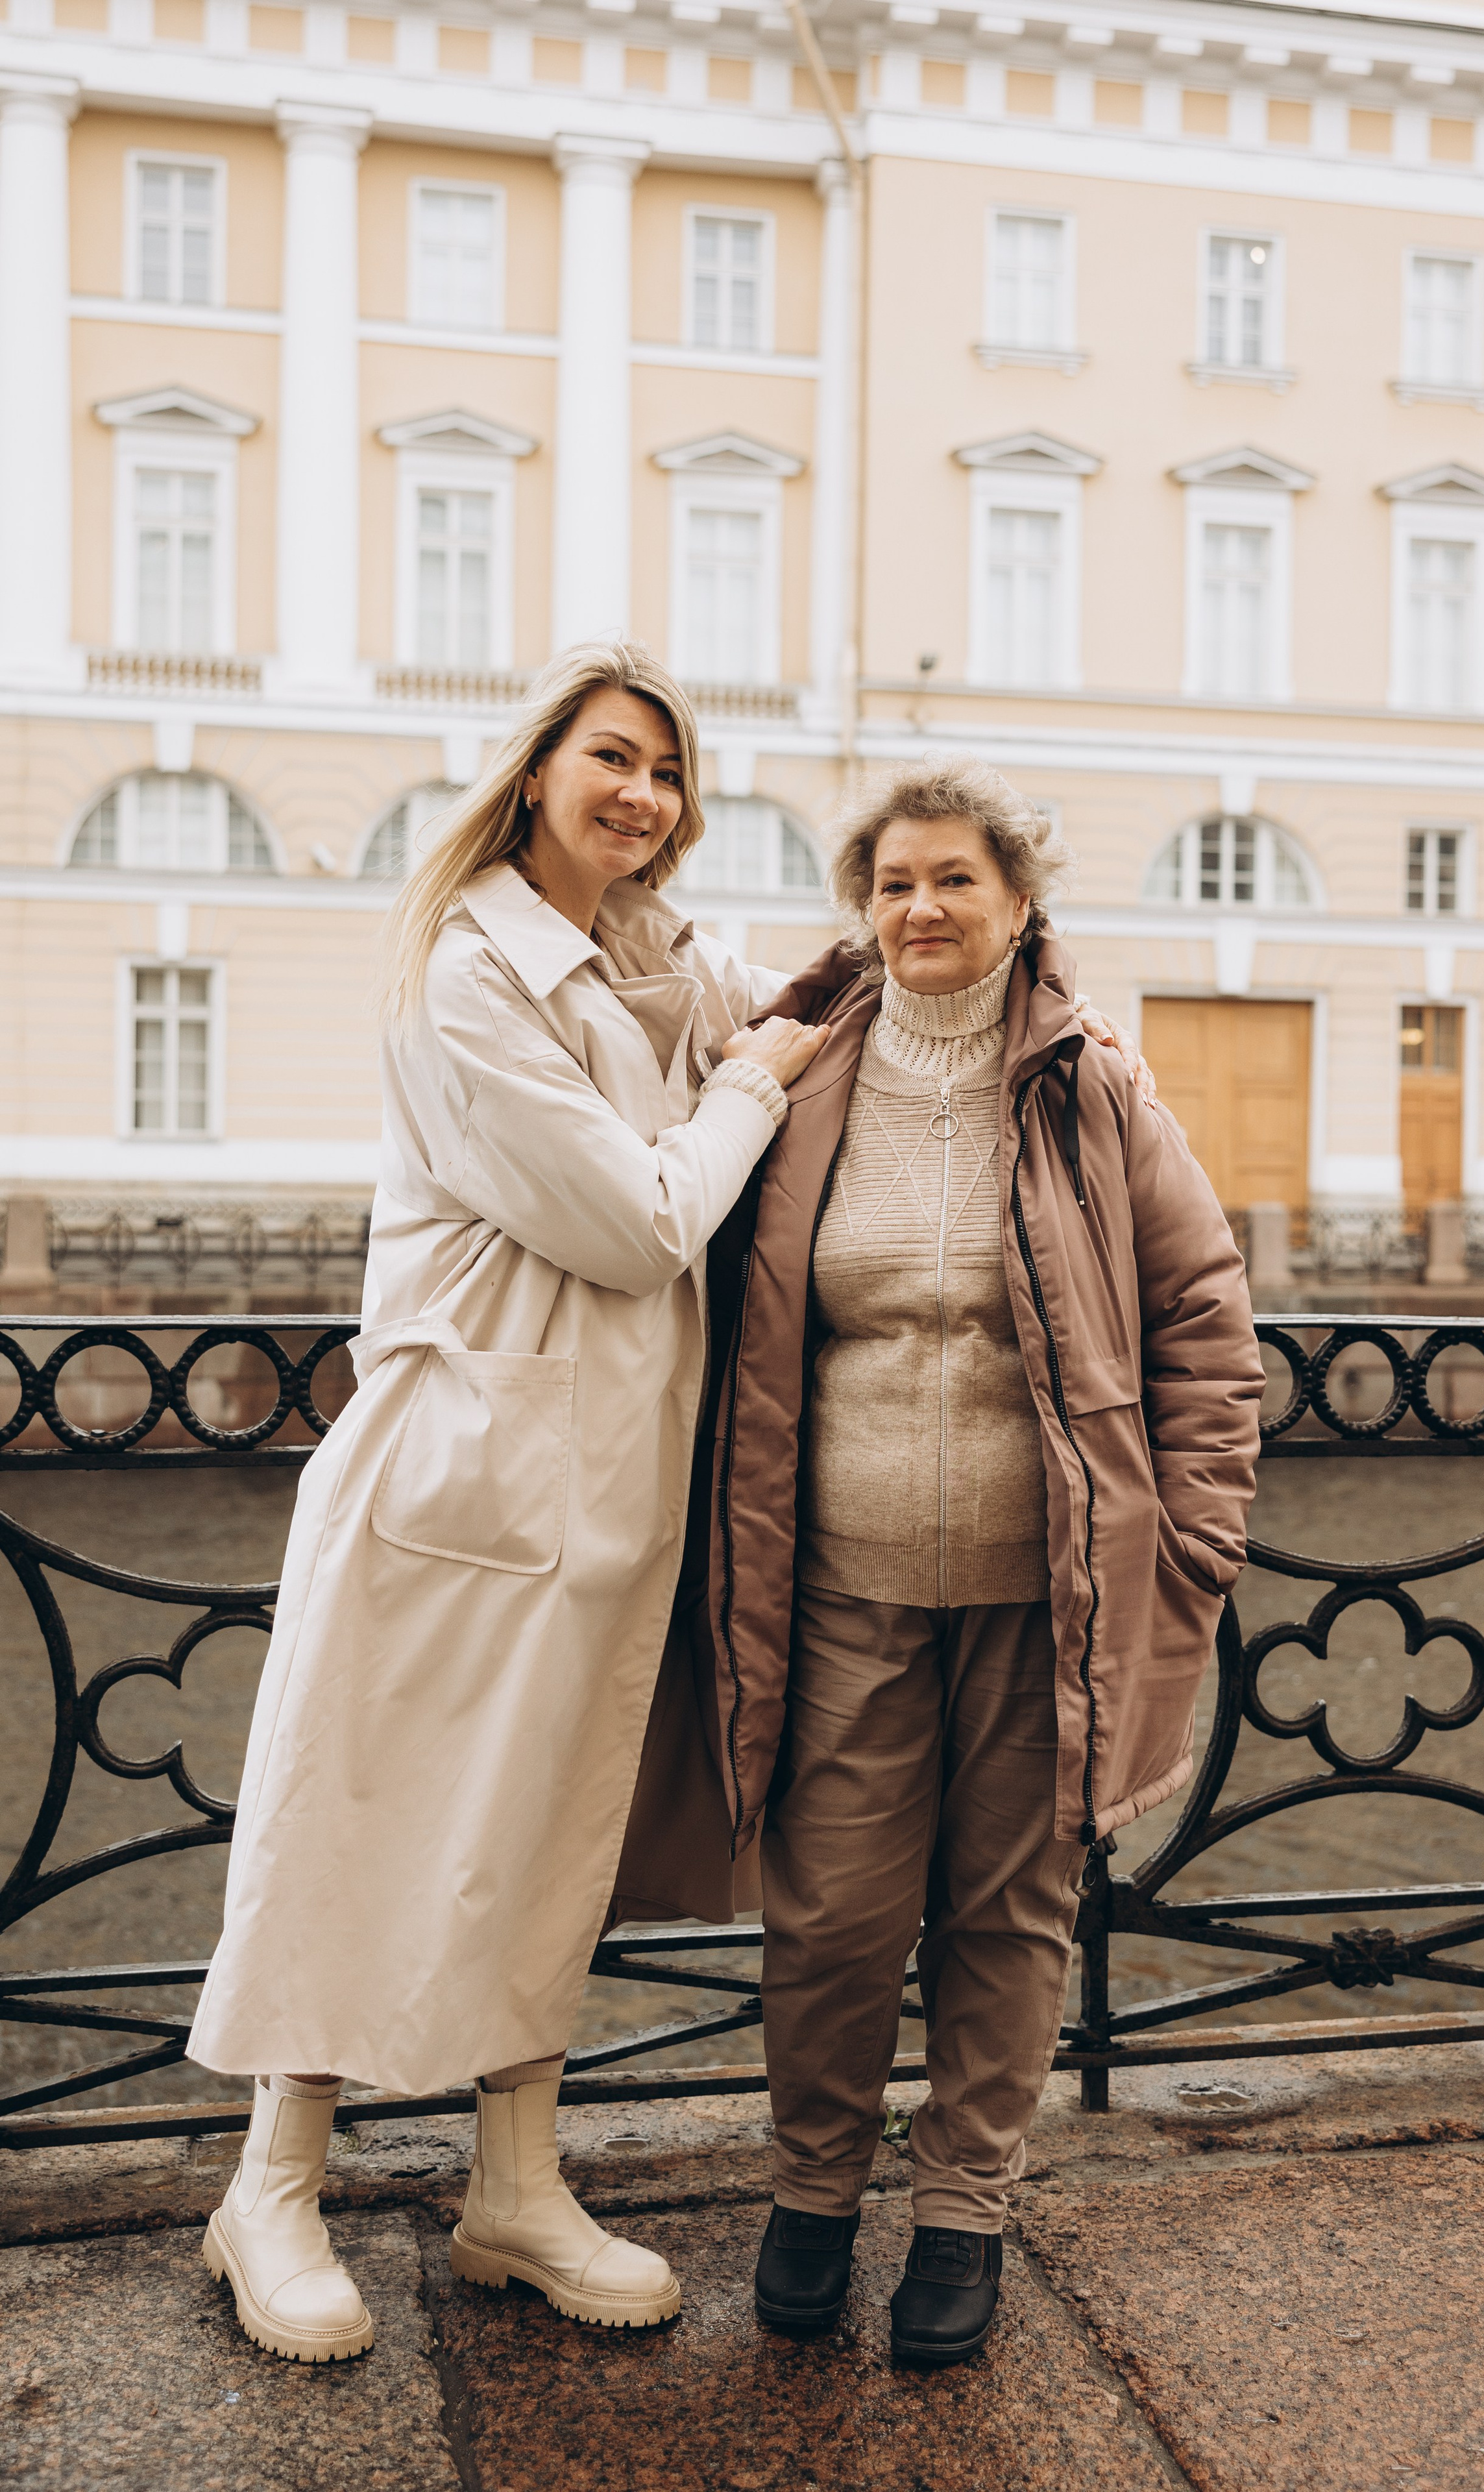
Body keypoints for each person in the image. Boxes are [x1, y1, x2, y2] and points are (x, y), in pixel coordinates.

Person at [186, 641, 830, 2364]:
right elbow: (638, 1219)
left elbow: (814, 1008)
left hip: (609, 1488)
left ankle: (517, 2188)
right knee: (360, 1812)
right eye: (615, 757)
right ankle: (271, 2186)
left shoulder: (665, 963)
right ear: (537, 765)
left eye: (670, 773)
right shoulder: (466, 970)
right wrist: (750, 1087)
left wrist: (948, 950)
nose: (644, 795)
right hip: (452, 1468)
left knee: (547, 1829)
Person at [698, 758, 1263, 2366]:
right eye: (890, 884)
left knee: (1011, 1916)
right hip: (840, 1586)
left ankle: (963, 2212)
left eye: (953, 879)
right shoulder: (799, 1082)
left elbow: (1203, 1330)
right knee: (828, 1918)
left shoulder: (1095, 1091)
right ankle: (813, 2189)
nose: (920, 909)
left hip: (1050, 1594)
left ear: (1019, 902)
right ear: (859, 909)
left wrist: (1196, 1552)